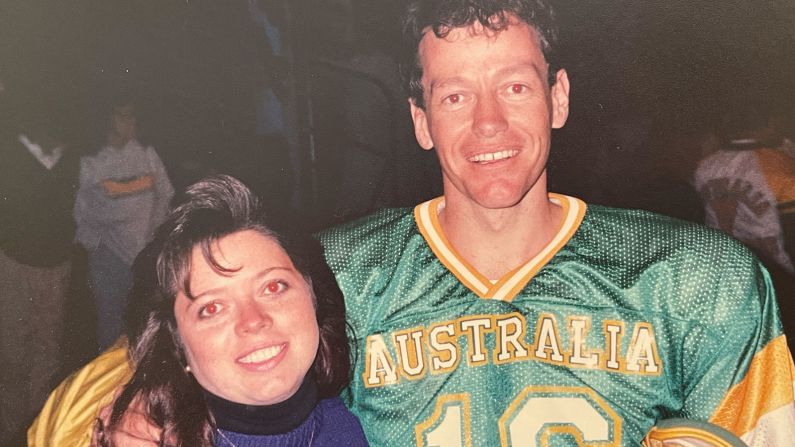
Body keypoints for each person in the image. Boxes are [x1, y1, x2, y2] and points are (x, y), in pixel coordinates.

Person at [31, 0, 795, 445]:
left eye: (516, 88)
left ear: (558, 98)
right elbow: (87, 399)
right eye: (454, 95)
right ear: (420, 119)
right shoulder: (326, 276)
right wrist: (138, 406)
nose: (488, 122)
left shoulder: (701, 280)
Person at [89, 174, 366, 446]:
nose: (253, 320)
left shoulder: (355, 425)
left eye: (272, 287)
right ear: (177, 344)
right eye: (212, 308)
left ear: (313, 296)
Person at [0, 93, 79, 446]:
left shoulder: (69, 157)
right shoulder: (11, 153)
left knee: (48, 349)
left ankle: (36, 426)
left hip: (56, 264)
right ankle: (10, 427)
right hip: (15, 261)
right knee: (13, 349)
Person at [74, 95, 174, 352]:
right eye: (123, 115)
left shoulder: (146, 153)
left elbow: (166, 193)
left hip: (146, 254)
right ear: (107, 120)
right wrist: (96, 242)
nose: (131, 121)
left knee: (148, 324)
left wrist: (155, 233)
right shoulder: (91, 161)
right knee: (111, 327)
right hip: (110, 257)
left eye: (133, 115)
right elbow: (81, 210)